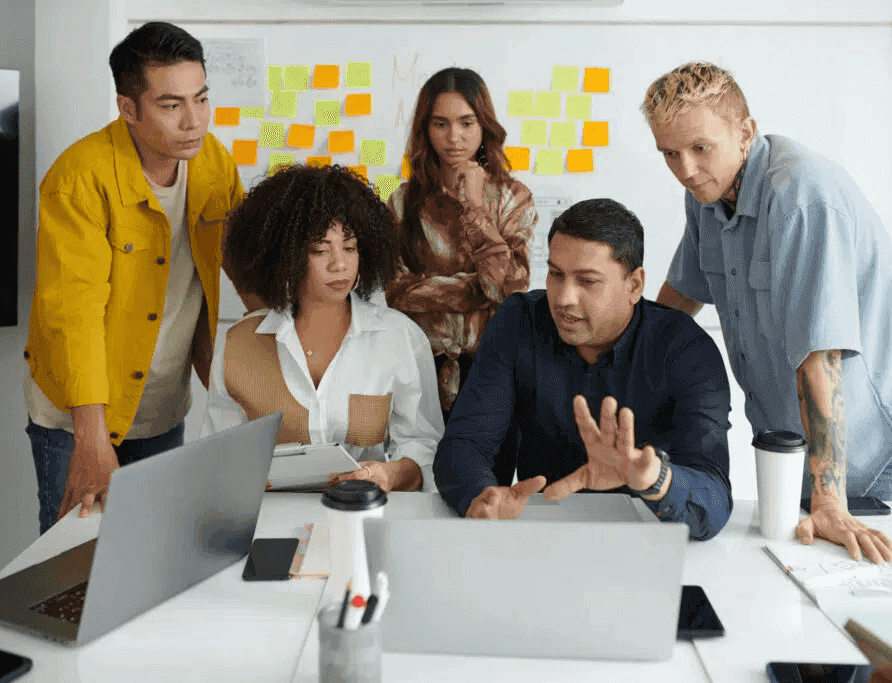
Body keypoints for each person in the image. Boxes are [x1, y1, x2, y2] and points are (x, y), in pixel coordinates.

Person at [642, 62, 892, 561]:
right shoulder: (705, 195)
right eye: (669, 153)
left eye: (700, 148)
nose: (685, 168)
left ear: (745, 132)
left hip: (883, 435)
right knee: (809, 574)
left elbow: (820, 353)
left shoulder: (799, 195)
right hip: (801, 439)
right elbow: (681, 295)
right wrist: (622, 366)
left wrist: (830, 500)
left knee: (884, 588)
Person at [23, 22, 243, 533]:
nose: (194, 121)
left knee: (153, 552)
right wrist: (91, 439)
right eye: (171, 105)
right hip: (78, 416)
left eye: (201, 98)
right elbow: (73, 314)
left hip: (163, 407)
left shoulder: (213, 162)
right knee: (74, 569)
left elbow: (249, 267)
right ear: (129, 109)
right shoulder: (78, 179)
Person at [433, 198, 733, 540]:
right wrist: (481, 497)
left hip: (645, 543)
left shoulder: (686, 349)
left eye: (587, 281)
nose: (563, 298)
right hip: (539, 536)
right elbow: (466, 445)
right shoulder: (519, 322)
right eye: (556, 275)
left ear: (634, 285)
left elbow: (714, 501)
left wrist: (655, 479)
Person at [203, 164, 444, 492]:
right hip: (270, 521)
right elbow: (217, 459)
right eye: (320, 250)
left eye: (349, 247)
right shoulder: (239, 343)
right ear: (285, 255)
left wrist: (390, 474)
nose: (339, 264)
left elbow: (422, 446)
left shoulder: (399, 337)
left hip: (362, 516)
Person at [386, 67, 538, 421]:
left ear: (484, 126)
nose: (454, 137)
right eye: (441, 124)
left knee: (484, 474)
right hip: (418, 366)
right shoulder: (402, 201)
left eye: (466, 123)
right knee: (420, 471)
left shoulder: (513, 198)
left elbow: (508, 288)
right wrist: (477, 291)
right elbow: (395, 291)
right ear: (425, 129)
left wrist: (474, 208)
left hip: (492, 366)